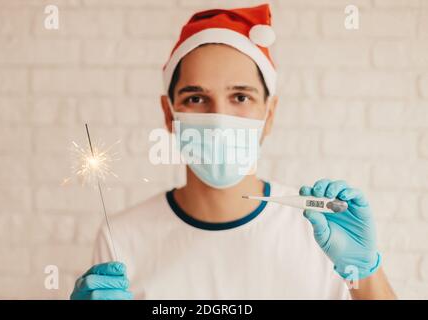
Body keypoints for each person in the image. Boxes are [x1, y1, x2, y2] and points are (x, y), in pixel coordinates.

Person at [70, 3, 396, 300]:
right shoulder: (122, 238)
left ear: (270, 114)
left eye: (240, 97)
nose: (218, 121)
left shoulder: (321, 231)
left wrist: (365, 272)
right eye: (196, 98)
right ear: (169, 114)